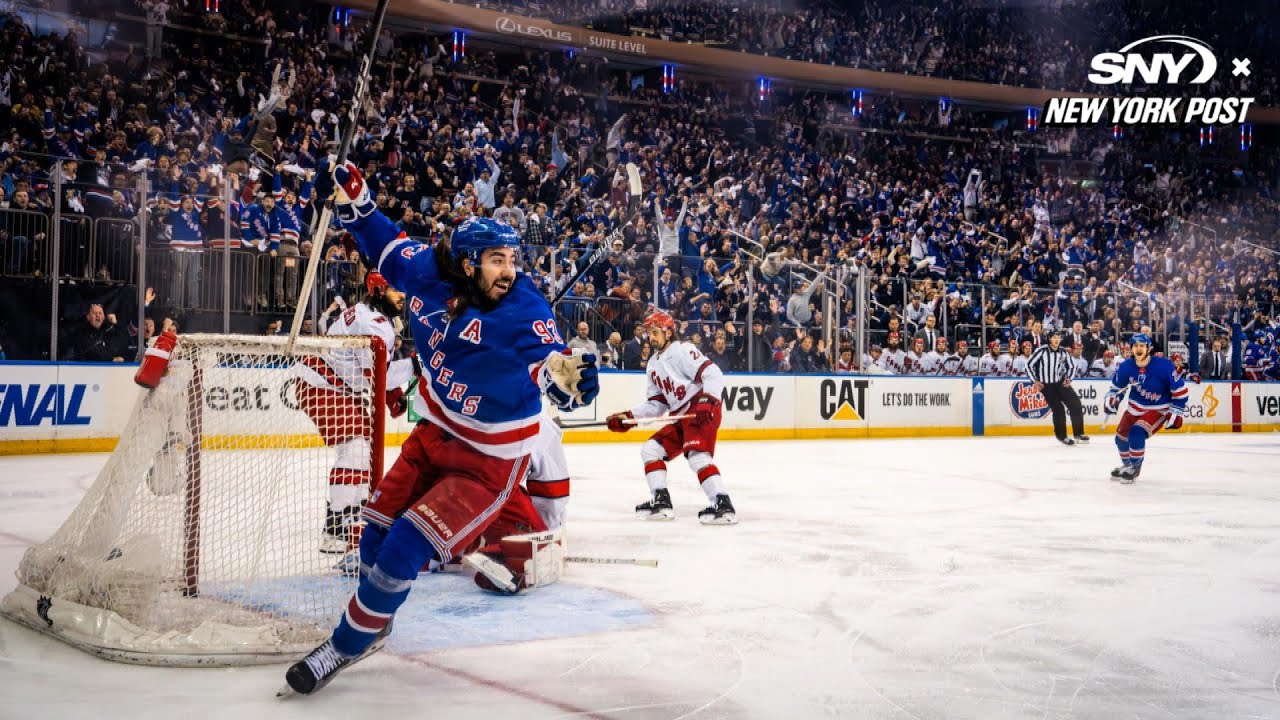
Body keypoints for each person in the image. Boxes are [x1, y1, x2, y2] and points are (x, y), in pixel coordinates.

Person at [283, 163, 600, 695]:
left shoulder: (524, 308)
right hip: (433, 434)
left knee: (406, 545)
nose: (509, 271)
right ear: (467, 262)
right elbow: (382, 240)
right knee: (374, 536)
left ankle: (344, 644)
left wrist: (568, 376)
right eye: (497, 260)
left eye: (513, 259)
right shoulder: (428, 270)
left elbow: (554, 361)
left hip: (489, 462)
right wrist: (354, 202)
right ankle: (375, 618)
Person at [294, 271, 417, 557]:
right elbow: (375, 374)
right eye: (395, 290)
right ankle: (336, 526)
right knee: (357, 449)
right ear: (377, 291)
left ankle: (355, 518)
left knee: (364, 449)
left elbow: (374, 372)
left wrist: (394, 394)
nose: (402, 296)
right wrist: (414, 367)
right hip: (322, 383)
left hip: (333, 384)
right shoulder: (374, 322)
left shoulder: (373, 316)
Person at [604, 310, 736, 525]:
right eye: (648, 333)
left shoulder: (682, 350)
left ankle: (723, 505)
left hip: (699, 409)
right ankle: (661, 502)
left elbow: (713, 374)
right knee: (651, 450)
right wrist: (628, 418)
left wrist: (708, 399)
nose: (651, 337)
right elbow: (656, 405)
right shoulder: (653, 364)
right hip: (679, 416)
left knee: (697, 456)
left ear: (668, 332)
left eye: (655, 332)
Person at [1103, 333, 1188, 483]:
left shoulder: (1164, 366)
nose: (1138, 348)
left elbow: (1181, 391)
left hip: (1158, 408)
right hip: (1135, 407)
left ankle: (1135, 468)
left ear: (1149, 348)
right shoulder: (1126, 366)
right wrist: (1112, 399)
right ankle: (1128, 465)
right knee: (1120, 437)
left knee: (1136, 432)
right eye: (1135, 346)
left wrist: (1176, 410)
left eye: (1142, 345)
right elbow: (1117, 388)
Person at [1027, 330, 1088, 446]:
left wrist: (1069, 379)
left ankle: (1078, 433)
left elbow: (1072, 366)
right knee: (1059, 409)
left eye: (1059, 337)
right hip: (1047, 386)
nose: (1057, 339)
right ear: (1050, 338)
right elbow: (1028, 365)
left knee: (1075, 403)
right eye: (1054, 337)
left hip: (1060, 383)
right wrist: (1035, 381)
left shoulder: (1063, 352)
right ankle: (1062, 436)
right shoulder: (1042, 351)